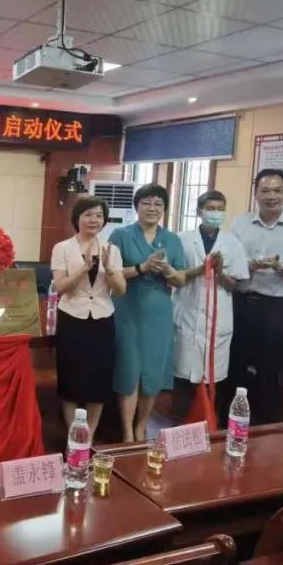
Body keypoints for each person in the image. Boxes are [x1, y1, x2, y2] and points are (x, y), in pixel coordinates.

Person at [230, 169, 283, 424]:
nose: (271, 196)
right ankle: (232, 417)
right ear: (256, 193)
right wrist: (249, 265)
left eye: (277, 190)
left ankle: (266, 421)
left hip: (278, 306)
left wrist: (280, 266)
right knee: (236, 362)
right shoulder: (240, 224)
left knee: (272, 365)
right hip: (242, 302)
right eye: (265, 190)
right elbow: (230, 265)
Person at [109, 184, 187, 443]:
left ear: (164, 209)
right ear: (137, 206)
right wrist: (142, 267)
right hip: (127, 311)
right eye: (146, 203)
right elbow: (111, 274)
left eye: (158, 204)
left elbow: (181, 279)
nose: (152, 208)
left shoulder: (172, 240)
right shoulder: (120, 235)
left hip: (158, 315)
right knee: (129, 370)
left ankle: (141, 426)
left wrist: (167, 270)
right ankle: (127, 432)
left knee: (152, 374)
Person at [50, 197, 127, 438]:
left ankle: (89, 435)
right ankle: (73, 436)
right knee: (71, 380)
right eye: (88, 215)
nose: (94, 220)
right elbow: (60, 287)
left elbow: (121, 290)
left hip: (102, 319)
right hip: (72, 318)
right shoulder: (62, 248)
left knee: (99, 380)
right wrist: (83, 269)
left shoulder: (111, 250)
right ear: (77, 218)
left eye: (99, 215)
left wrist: (110, 270)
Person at [172, 190, 250, 423]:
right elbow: (174, 276)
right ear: (199, 211)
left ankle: (207, 428)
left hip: (217, 320)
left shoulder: (232, 243)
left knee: (212, 380)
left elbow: (237, 285)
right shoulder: (182, 239)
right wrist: (201, 269)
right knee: (184, 378)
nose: (215, 213)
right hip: (187, 313)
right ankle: (179, 428)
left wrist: (220, 272)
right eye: (211, 208)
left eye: (220, 209)